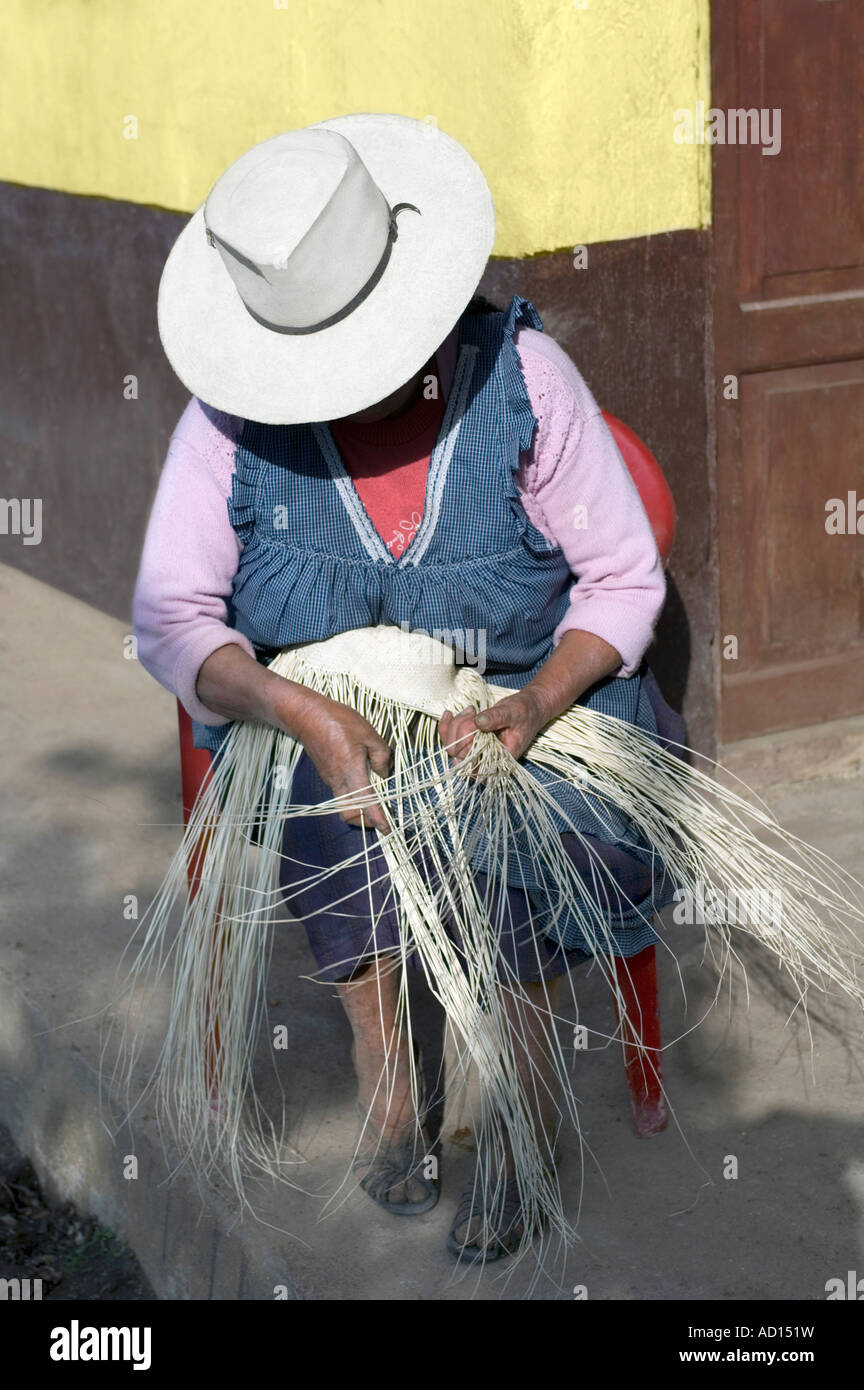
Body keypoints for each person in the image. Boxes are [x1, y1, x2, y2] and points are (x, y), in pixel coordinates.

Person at [134, 114, 684, 1263]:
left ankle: (519, 1106)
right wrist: (301, 711)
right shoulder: (224, 425)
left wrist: (533, 709)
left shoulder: (524, 380)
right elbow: (172, 623)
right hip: (324, 707)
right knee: (324, 812)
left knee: (526, 828)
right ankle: (392, 1090)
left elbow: (625, 582)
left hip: (534, 698)